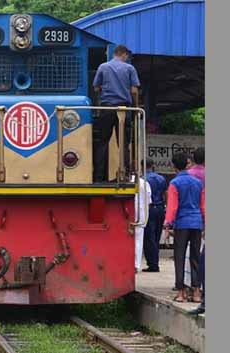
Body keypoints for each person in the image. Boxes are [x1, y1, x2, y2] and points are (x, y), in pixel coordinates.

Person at [92, 44, 141, 182]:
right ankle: (124, 175)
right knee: (124, 144)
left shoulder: (103, 67)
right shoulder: (130, 68)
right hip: (124, 109)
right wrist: (136, 107)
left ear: (115, 53)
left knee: (102, 142)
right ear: (124, 54)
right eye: (127, 56)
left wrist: (106, 88)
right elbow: (134, 91)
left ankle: (98, 176)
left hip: (107, 108)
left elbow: (96, 88)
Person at [164, 153, 205, 303]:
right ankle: (196, 292)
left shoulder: (175, 183)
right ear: (187, 165)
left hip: (182, 224)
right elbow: (203, 205)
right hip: (197, 223)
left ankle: (181, 292)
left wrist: (167, 224)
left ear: (174, 166)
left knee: (179, 257)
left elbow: (172, 207)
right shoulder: (197, 183)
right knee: (195, 258)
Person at [187, 147, 205, 315]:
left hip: (186, 220)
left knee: (197, 259)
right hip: (200, 220)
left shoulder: (188, 176)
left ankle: (195, 291)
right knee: (200, 259)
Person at [142, 160, 167, 272]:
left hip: (149, 209)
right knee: (157, 236)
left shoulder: (142, 179)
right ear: (153, 166)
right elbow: (165, 194)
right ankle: (155, 261)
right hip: (160, 208)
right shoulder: (161, 178)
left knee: (149, 237)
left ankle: (153, 264)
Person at [134, 174, 151, 273]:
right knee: (138, 241)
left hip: (128, 213)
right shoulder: (145, 183)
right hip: (141, 215)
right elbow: (149, 200)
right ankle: (136, 265)